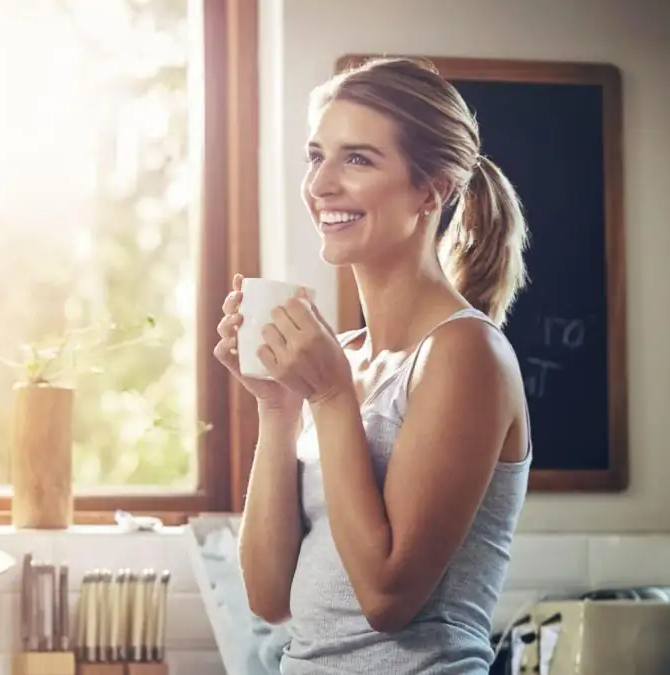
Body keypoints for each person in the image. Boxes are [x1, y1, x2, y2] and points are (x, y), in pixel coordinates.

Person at [213, 56, 532, 674]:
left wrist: (330, 399)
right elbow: (269, 597)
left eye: (357, 158)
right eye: (316, 156)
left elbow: (387, 598)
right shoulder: (347, 360)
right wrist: (277, 407)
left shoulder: (465, 353)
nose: (321, 184)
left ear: (432, 189)